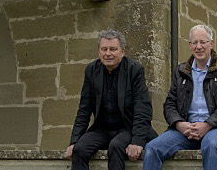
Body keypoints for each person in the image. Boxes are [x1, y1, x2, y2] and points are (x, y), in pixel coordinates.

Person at [141, 24, 217, 170]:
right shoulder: (180, 71)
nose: (198, 46)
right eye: (194, 43)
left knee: (211, 145)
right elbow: (170, 104)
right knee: (152, 148)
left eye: (202, 42)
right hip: (187, 130)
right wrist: (179, 124)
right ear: (190, 45)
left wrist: (208, 124)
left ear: (211, 43)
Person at [64, 30, 157, 170]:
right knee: (80, 149)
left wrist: (137, 141)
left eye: (113, 49)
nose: (108, 53)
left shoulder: (134, 70)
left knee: (116, 146)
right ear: (99, 52)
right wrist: (74, 141)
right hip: (102, 129)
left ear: (122, 51)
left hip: (127, 127)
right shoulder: (91, 70)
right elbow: (84, 109)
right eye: (104, 49)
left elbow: (142, 108)